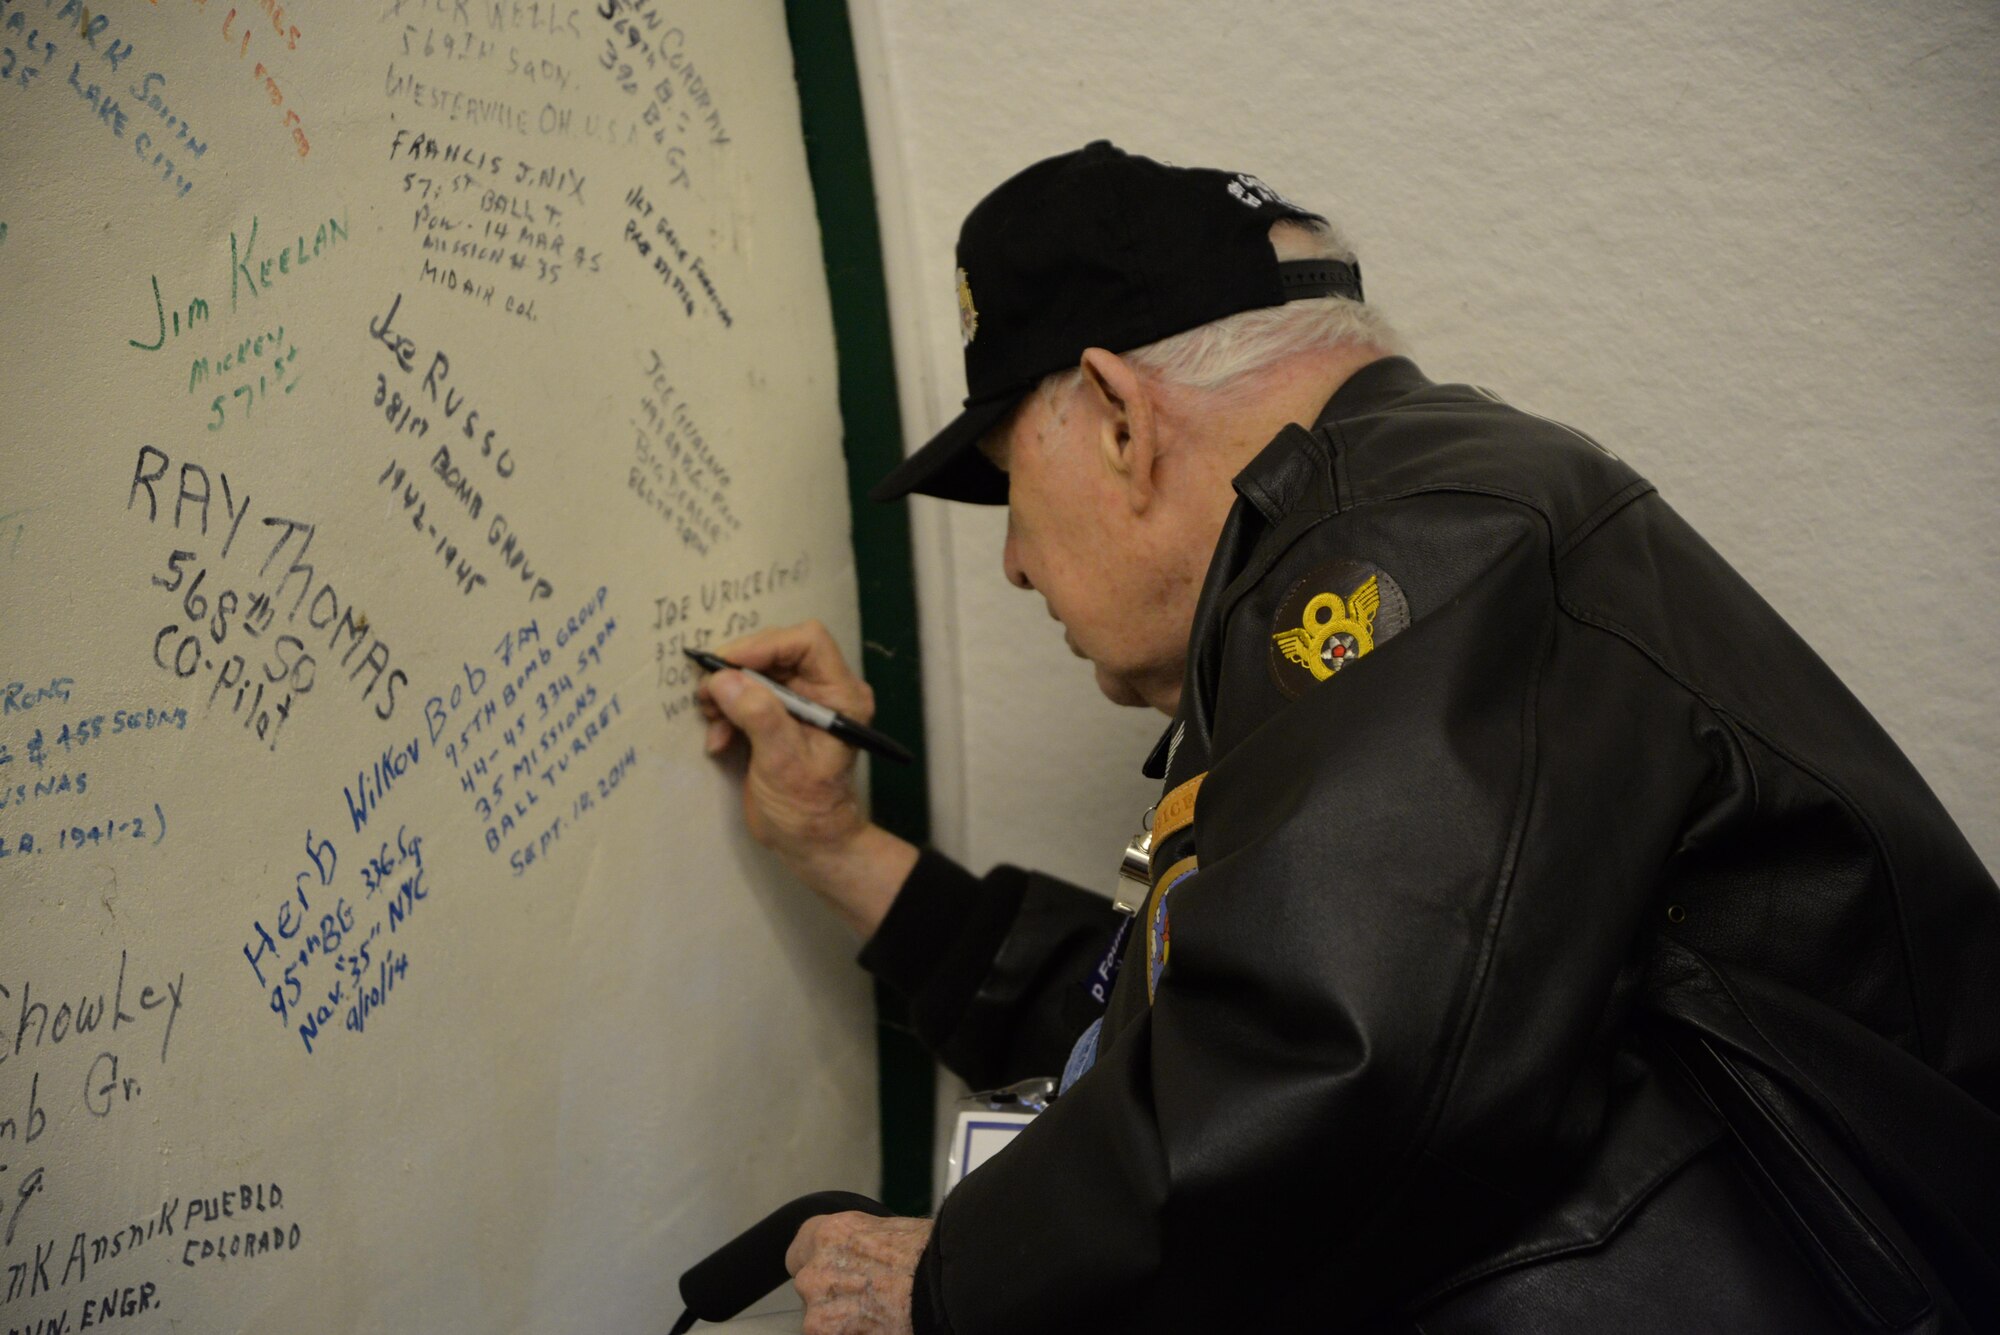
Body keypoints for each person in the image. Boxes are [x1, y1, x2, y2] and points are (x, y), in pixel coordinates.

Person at [697, 142, 2000, 1333]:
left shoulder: (1417, 540)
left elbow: (1328, 1069)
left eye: (1010, 487)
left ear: (1117, 418)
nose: (1017, 567)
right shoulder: (1408, 527)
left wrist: (949, 1288)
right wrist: (839, 848)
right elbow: (1205, 1008)